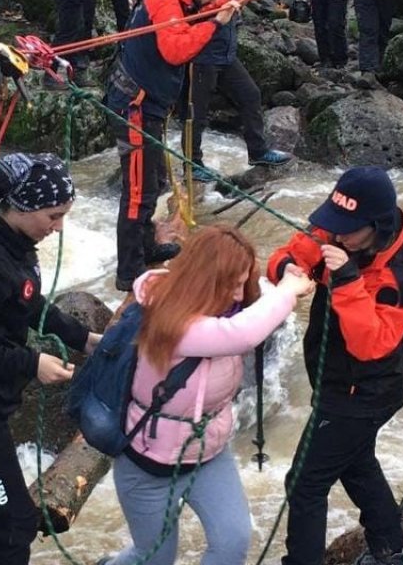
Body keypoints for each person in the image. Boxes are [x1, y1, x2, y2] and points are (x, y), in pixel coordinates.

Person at [104, 225, 317, 565]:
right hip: (147, 463)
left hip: (207, 453)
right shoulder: (169, 318)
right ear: (204, 280)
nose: (237, 294)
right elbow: (241, 334)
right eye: (230, 284)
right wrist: (288, 292)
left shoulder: (225, 311)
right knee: (154, 557)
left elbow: (253, 314)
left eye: (242, 282)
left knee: (232, 542)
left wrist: (284, 280)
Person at [267, 166, 403, 565]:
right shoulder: (342, 231)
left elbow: (370, 345)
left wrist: (346, 278)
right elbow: (294, 251)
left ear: (376, 225)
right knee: (357, 464)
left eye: (347, 229)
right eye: (333, 225)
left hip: (365, 391)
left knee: (305, 483)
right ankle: (391, 552)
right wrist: (286, 268)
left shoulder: (400, 275)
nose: (336, 235)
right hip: (337, 378)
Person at [0, 152, 104, 565]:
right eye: (53, 216)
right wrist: (31, 364)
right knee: (14, 522)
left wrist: (84, 338)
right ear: (21, 206)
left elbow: (29, 303)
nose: (58, 228)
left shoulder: (16, 244)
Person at [103, 0, 243, 292]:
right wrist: (215, 23)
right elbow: (175, 49)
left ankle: (146, 245)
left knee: (151, 185)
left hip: (147, 104)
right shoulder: (164, 2)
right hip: (134, 105)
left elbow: (199, 11)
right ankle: (129, 271)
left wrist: (223, 6)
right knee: (137, 190)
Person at [183, 0, 294, 183]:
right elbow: (206, 11)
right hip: (201, 56)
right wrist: (238, 0)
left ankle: (258, 151)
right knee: (196, 113)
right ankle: (192, 164)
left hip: (225, 54)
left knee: (250, 95)